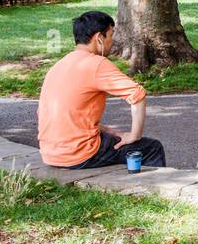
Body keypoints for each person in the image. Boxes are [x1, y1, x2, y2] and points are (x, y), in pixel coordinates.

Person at [37, 10, 166, 169]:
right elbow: (137, 95)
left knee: (116, 141)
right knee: (151, 148)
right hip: (80, 154)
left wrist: (108, 131)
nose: (113, 41)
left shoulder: (59, 65)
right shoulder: (96, 64)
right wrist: (134, 135)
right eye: (111, 35)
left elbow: (66, 115)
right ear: (99, 38)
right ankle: (152, 190)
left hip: (50, 153)